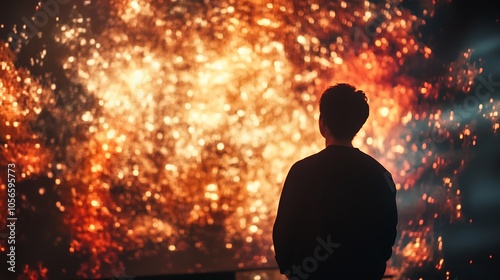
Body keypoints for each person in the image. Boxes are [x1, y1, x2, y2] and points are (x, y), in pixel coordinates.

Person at [273, 83, 398, 280]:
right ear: (358, 125)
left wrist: (295, 271)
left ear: (322, 122)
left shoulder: (301, 172)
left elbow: (284, 233)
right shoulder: (379, 175)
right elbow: (387, 234)